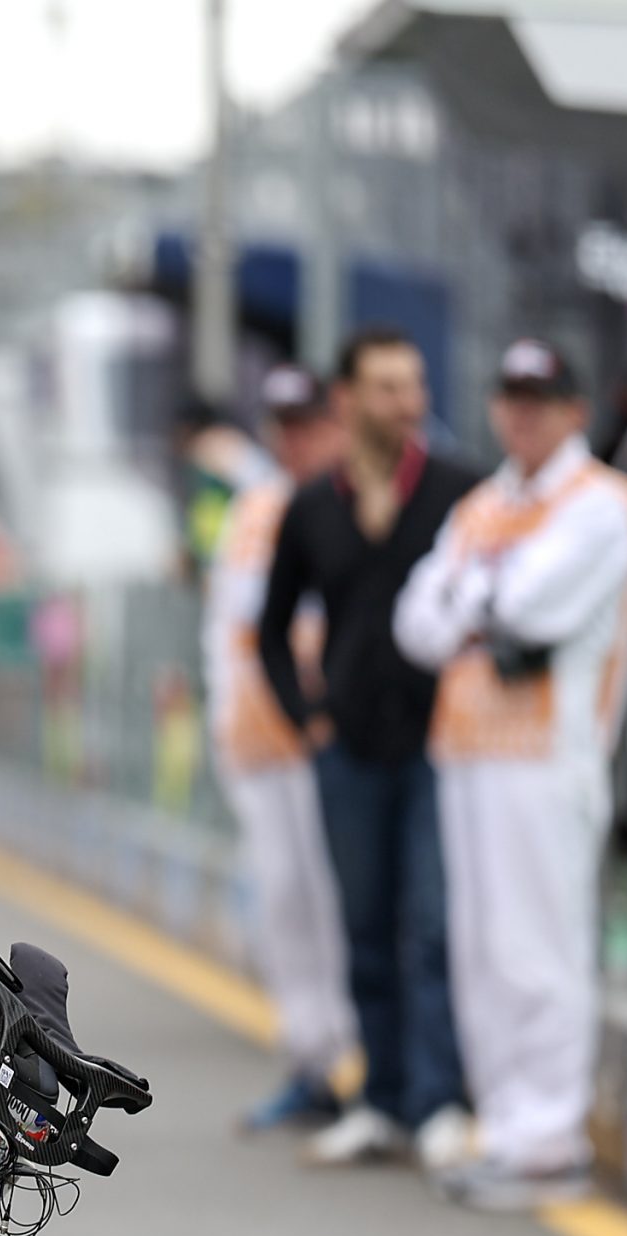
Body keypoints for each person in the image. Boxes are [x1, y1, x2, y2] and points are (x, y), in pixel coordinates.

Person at [395, 339, 627, 1212]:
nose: (525, 412)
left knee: (539, 945)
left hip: (550, 754)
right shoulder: (481, 506)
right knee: (482, 949)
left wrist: (469, 602)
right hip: (469, 747)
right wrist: (481, 607)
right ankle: (508, 1126)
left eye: (542, 397)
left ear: (575, 409)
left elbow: (530, 607)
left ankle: (549, 1137)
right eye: (512, 396)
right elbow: (414, 623)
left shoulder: (605, 504)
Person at [257, 327, 482, 1172]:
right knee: (363, 927)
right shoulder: (313, 504)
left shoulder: (459, 491)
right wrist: (308, 720)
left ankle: (439, 1099)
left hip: (439, 749)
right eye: (387, 387)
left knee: (432, 923)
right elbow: (271, 629)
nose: (407, 402)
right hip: (347, 751)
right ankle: (381, 1100)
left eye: (413, 385)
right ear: (347, 399)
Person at [203, 365, 356, 1129]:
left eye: (308, 422)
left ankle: (360, 1063)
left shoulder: (350, 499)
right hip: (261, 746)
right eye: (283, 425)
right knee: (287, 904)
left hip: (325, 737)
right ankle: (311, 1060)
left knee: (339, 902)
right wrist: (225, 726)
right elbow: (224, 630)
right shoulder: (254, 506)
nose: (294, 438)